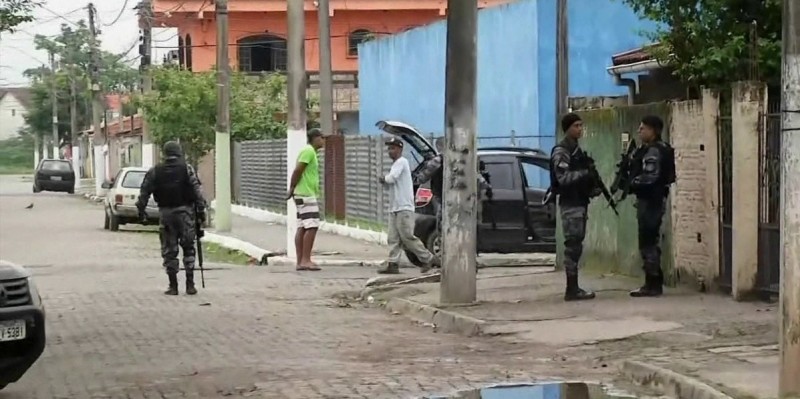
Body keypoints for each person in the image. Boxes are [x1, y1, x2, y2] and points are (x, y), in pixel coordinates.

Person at [136, 141, 207, 296]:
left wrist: (141, 211)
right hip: (186, 214)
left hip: (166, 214)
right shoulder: (187, 169)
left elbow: (144, 192)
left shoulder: (155, 171)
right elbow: (197, 192)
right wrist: (201, 211)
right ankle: (190, 284)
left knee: (169, 250)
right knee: (188, 247)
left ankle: (173, 285)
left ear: (165, 153)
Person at [549, 113, 601, 301]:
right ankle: (572, 289)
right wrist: (584, 174)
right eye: (576, 126)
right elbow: (563, 178)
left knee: (576, 245)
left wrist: (592, 186)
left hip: (579, 202)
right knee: (573, 246)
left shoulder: (576, 150)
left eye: (581, 125)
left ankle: (574, 287)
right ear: (568, 128)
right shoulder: (562, 151)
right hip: (570, 204)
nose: (580, 129)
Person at [628, 115, 675, 297]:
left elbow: (650, 177)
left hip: (651, 200)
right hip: (653, 199)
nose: (640, 131)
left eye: (643, 128)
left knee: (647, 240)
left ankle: (652, 282)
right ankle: (653, 280)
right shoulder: (654, 149)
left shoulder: (654, 151)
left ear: (653, 131)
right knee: (650, 240)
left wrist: (633, 183)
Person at [377, 137, 437, 275]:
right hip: (395, 207)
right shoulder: (395, 165)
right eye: (389, 148)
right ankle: (393, 263)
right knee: (393, 237)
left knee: (407, 237)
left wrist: (383, 178)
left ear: (400, 149)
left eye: (393, 148)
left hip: (404, 207)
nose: (390, 151)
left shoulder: (402, 162)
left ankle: (428, 258)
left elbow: (391, 178)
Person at [287, 128, 325, 271]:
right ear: (315, 138)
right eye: (322, 137)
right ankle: (305, 260)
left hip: (304, 193)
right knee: (312, 225)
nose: (323, 140)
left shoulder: (311, 152)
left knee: (303, 226)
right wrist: (292, 187)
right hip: (305, 194)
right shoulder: (308, 151)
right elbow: (298, 170)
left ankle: (301, 261)